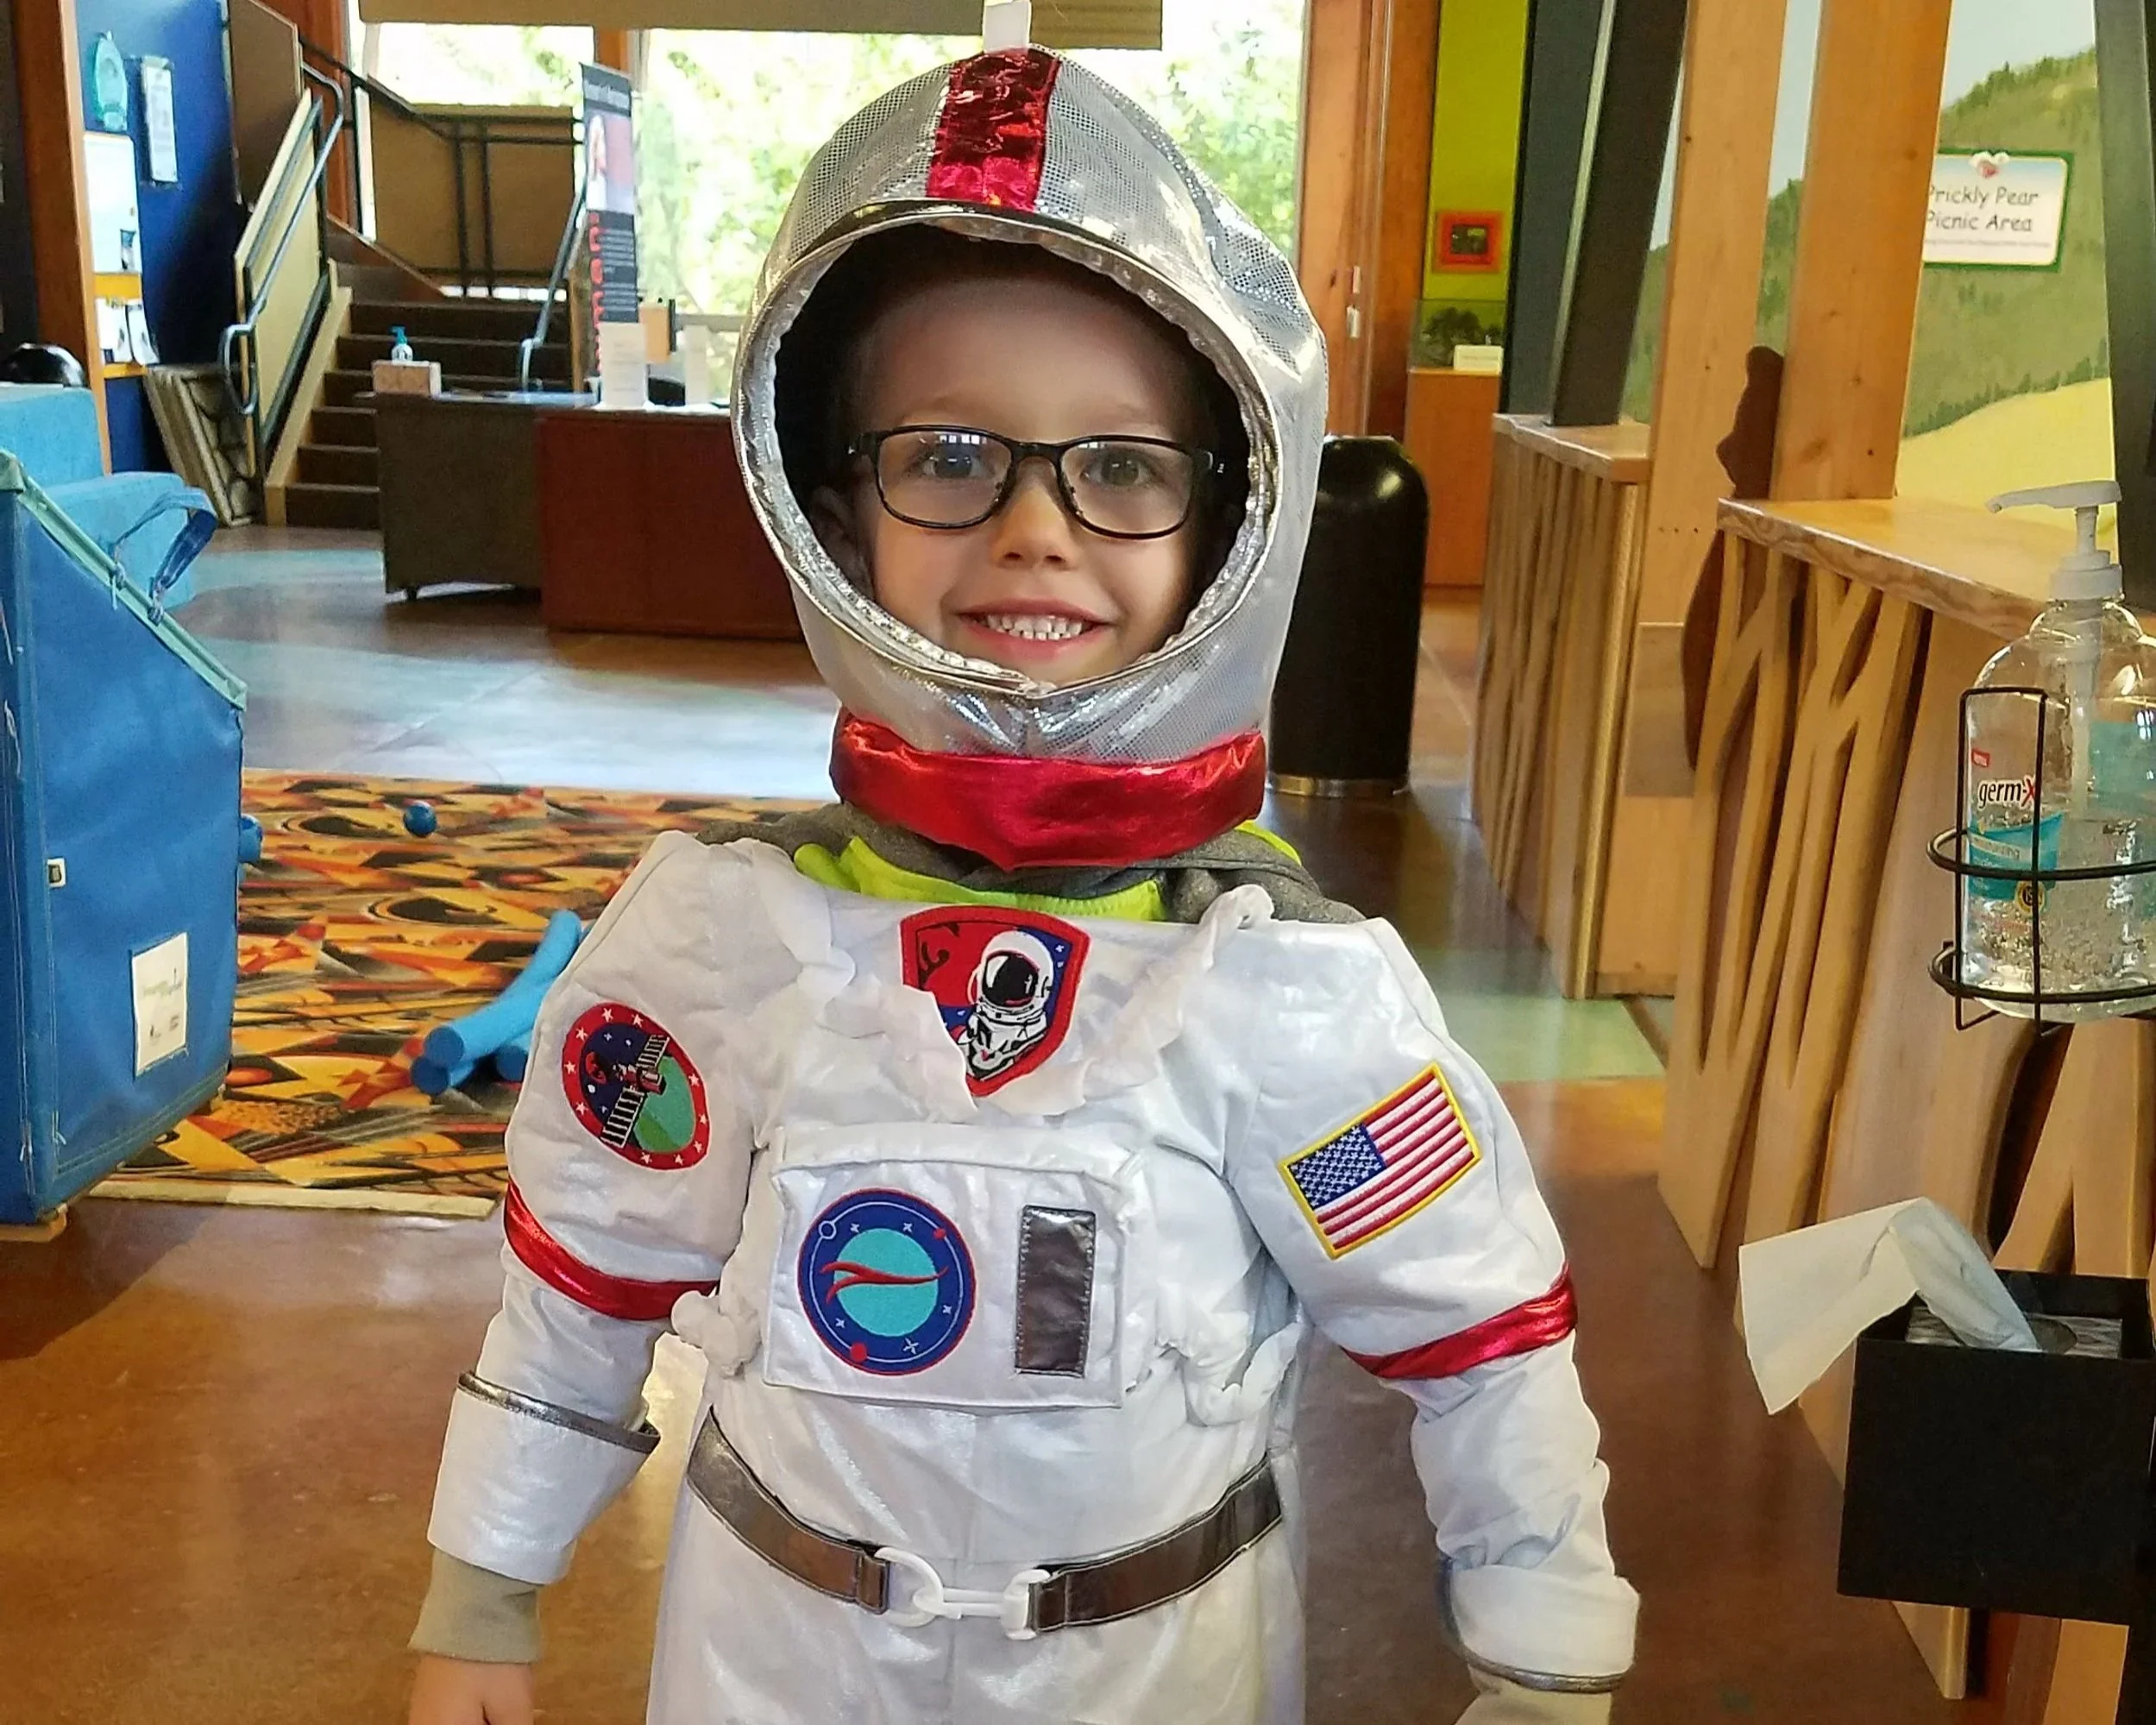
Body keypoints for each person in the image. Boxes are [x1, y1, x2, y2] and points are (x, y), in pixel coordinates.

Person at [408, 42, 1637, 1725]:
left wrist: (1546, 1658)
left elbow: (1478, 1336)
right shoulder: (724, 932)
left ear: (1233, 518)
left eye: (1121, 466)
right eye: (947, 454)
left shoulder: (1287, 981)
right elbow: (590, 1268)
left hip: (1153, 1668)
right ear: (832, 510)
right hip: (778, 1655)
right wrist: (487, 1589)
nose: (1034, 528)